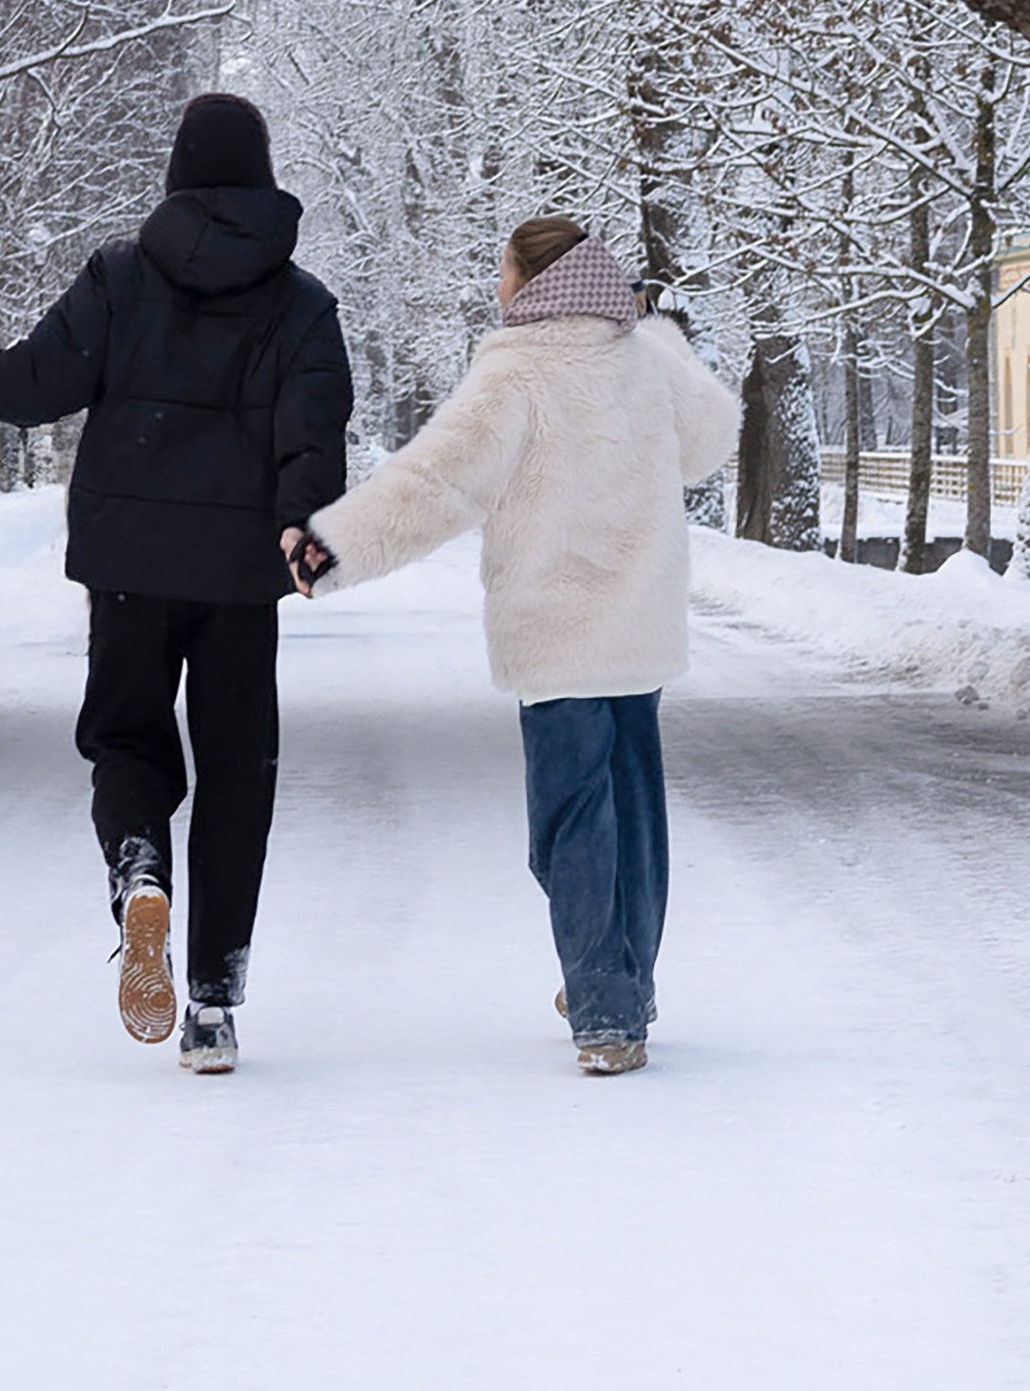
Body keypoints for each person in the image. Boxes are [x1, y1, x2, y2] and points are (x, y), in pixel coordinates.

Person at [0, 91, 351, 1074]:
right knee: (238, 774)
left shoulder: (120, 277)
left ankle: (138, 869)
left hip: (127, 563)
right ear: (263, 175)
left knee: (127, 740)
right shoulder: (303, 304)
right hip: (241, 573)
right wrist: (300, 525)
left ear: (177, 175)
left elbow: (33, 385)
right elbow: (311, 437)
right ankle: (211, 1008)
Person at [286, 215, 735, 1077]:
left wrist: (332, 545)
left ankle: (605, 1005)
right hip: (638, 629)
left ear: (532, 280)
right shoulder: (644, 357)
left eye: (502, 268)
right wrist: (664, 337)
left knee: (566, 827)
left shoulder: (517, 368)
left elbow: (434, 483)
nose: (496, 284)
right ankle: (620, 982)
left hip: (556, 633)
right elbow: (711, 438)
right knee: (632, 819)